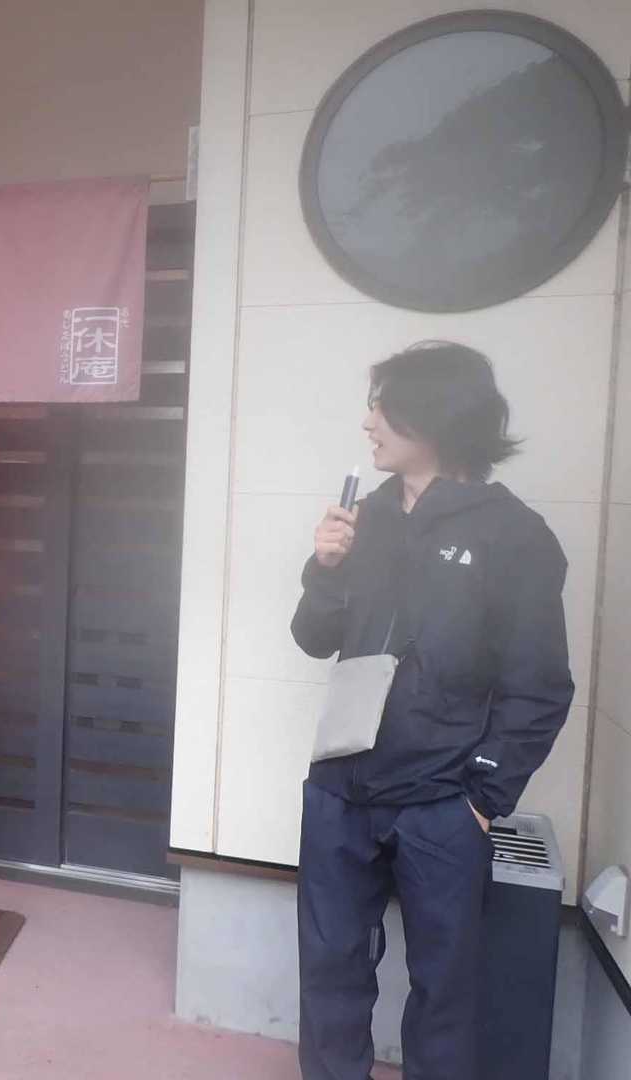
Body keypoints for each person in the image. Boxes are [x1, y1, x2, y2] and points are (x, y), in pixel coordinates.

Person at [291, 342, 574, 1080]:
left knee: (446, 993)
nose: (368, 422)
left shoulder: (514, 535)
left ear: (437, 415)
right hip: (340, 789)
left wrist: (481, 798)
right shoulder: (365, 517)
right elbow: (313, 638)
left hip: (443, 801)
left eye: (382, 407)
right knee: (329, 973)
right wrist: (325, 570)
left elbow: (541, 685)